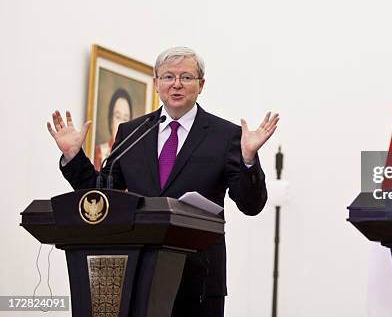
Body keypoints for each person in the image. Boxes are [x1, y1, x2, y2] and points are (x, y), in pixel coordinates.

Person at [47, 47, 279, 317]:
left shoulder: (226, 135)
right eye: (168, 77)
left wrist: (249, 158)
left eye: (186, 77)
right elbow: (102, 196)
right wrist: (73, 156)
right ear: (156, 83)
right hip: (137, 273)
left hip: (199, 279)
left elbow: (251, 205)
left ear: (201, 85)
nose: (176, 84)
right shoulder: (132, 132)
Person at [93, 87, 133, 170]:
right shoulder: (100, 152)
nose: (121, 123)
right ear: (111, 119)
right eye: (118, 117)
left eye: (125, 119)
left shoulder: (135, 155)